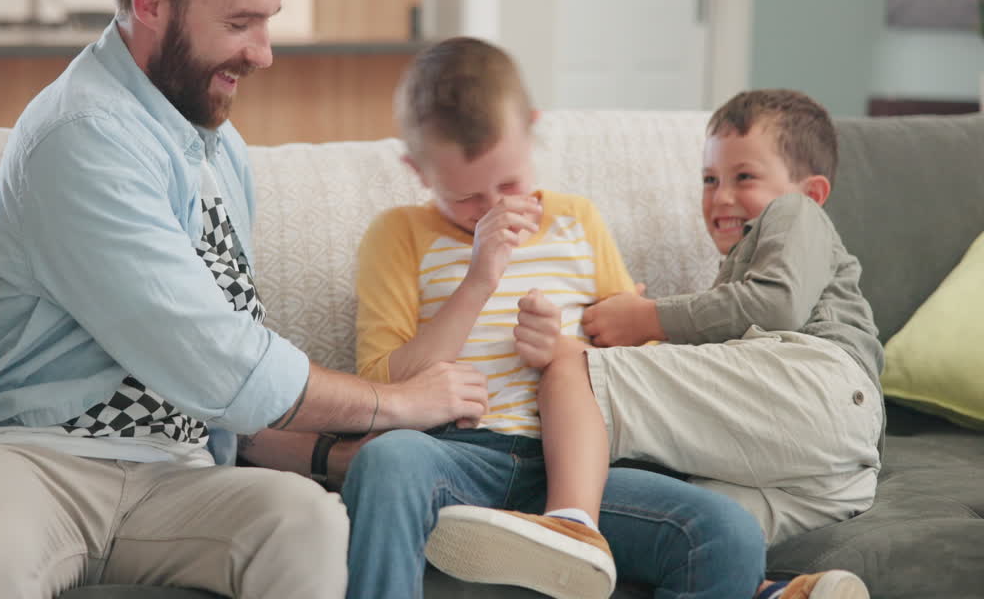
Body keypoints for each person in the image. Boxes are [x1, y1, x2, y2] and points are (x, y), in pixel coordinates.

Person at [0, 0, 488, 598]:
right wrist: (398, 403)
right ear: (151, 2)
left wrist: (337, 458)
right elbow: (222, 364)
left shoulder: (217, 147)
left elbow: (221, 398)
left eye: (268, 22)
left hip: (177, 473)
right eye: (242, 22)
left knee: (310, 523)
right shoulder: (82, 136)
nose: (264, 53)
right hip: (33, 461)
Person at [342, 39, 872, 599]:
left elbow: (636, 363)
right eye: (466, 197)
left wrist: (575, 348)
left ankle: (573, 528)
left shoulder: (578, 221)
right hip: (460, 455)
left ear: (533, 131)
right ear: (415, 169)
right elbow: (381, 387)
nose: (495, 208)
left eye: (511, 184)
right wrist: (480, 278)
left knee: (727, 531)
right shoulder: (397, 235)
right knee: (388, 459)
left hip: (581, 471)